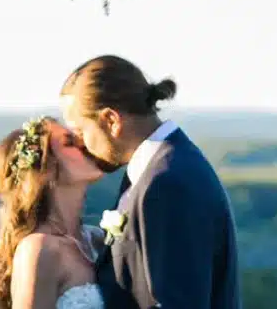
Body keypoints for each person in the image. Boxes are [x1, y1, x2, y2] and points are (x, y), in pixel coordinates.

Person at [59, 55, 239, 309]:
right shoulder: (161, 169)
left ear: (111, 120)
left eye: (80, 131)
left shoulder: (166, 182)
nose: (81, 144)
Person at [0, 117, 109, 309]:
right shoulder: (39, 250)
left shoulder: (97, 239)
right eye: (70, 143)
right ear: (46, 169)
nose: (84, 144)